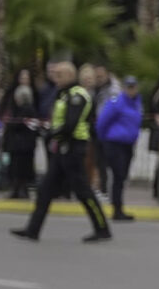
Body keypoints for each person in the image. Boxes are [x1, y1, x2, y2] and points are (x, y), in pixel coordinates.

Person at [8, 59, 111, 243]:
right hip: (62, 149)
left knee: (83, 192)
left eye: (59, 75)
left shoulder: (77, 95)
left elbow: (70, 124)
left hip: (73, 149)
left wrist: (51, 133)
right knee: (45, 190)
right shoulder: (64, 94)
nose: (56, 78)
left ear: (70, 75)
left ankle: (102, 228)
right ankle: (32, 230)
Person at [93, 75, 142, 221]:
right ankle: (117, 209)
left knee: (122, 177)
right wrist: (104, 139)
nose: (131, 90)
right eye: (128, 87)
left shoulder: (137, 103)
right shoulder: (116, 102)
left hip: (128, 144)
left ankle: (119, 208)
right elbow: (102, 122)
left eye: (133, 87)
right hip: (114, 143)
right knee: (118, 176)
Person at [0, 69, 39, 200]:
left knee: (20, 168)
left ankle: (20, 189)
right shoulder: (22, 109)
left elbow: (18, 124)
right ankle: (18, 189)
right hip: (20, 144)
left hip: (21, 144)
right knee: (18, 168)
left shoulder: (25, 111)